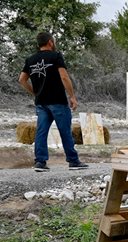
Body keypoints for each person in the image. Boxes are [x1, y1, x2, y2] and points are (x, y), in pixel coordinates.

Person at [18, 32, 88, 172]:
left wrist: (35, 92)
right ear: (50, 42)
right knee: (65, 131)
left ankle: (40, 162)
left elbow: (22, 79)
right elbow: (64, 77)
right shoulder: (56, 56)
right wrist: (72, 96)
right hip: (57, 101)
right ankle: (73, 161)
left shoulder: (30, 59)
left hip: (41, 102)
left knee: (41, 132)